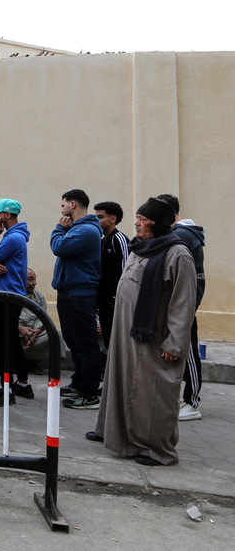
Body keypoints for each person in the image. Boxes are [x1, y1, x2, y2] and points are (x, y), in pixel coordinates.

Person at [89, 197, 196, 466]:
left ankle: (157, 450)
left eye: (143, 219)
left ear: (158, 224)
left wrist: (175, 343)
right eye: (137, 218)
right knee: (120, 383)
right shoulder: (140, 247)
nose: (136, 223)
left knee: (152, 393)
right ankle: (113, 433)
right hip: (126, 334)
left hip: (154, 338)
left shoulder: (178, 254)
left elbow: (183, 303)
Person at [51, 189, 103, 410]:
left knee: (86, 346)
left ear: (72, 204)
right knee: (74, 343)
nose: (62, 209)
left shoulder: (87, 230)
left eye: (63, 205)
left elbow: (59, 247)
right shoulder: (78, 228)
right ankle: (78, 383)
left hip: (79, 296)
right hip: (70, 294)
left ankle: (89, 394)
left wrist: (58, 229)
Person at [158, 194, 206, 421]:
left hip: (183, 305)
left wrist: (189, 307)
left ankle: (192, 402)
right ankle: (184, 399)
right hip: (179, 303)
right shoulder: (179, 233)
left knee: (187, 352)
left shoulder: (182, 235)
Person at [0, 198, 33, 406]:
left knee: (2, 343)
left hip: (5, 297)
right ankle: (23, 384)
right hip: (9, 296)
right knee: (11, 339)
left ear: (7, 214)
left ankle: (6, 390)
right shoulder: (15, 236)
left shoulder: (12, 238)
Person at [93, 201, 129, 353]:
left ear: (112, 219)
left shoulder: (119, 239)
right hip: (103, 305)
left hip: (117, 304)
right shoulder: (101, 242)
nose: (96, 221)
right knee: (109, 343)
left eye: (100, 217)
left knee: (120, 344)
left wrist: (117, 299)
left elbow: (127, 271)